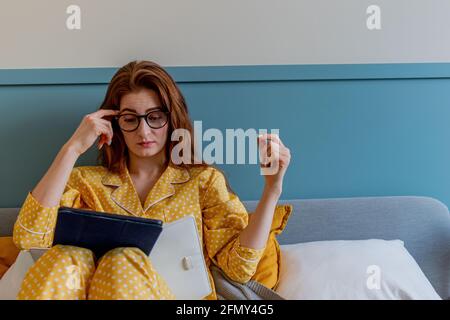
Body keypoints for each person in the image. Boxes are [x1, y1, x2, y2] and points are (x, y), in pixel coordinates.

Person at [12, 60, 291, 300]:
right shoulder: (84, 182)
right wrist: (71, 148)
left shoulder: (203, 182)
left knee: (123, 259)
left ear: (172, 119)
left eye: (155, 117)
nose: (144, 131)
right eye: (131, 119)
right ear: (115, 123)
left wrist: (272, 189)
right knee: (65, 257)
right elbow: (28, 237)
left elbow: (238, 268)